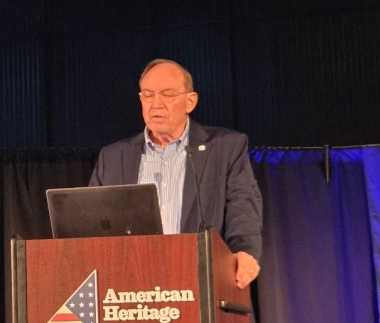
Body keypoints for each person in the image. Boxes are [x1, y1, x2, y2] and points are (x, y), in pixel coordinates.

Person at [89, 58, 262, 289]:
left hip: (201, 281)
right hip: (131, 287)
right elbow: (91, 225)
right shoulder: (113, 156)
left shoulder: (224, 147)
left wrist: (244, 251)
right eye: (148, 95)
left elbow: (243, 206)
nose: (156, 104)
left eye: (168, 95)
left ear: (190, 101)